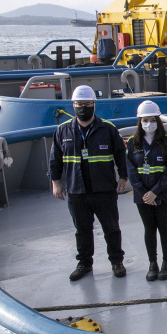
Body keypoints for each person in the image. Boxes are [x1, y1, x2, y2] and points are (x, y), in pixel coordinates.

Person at [49, 85, 128, 281]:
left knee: (111, 228)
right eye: (79, 104)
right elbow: (55, 159)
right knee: (82, 230)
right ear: (73, 105)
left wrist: (123, 177)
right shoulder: (62, 131)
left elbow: (120, 155)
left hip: (104, 189)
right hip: (77, 190)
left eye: (87, 104)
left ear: (94, 105)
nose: (83, 107)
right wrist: (56, 182)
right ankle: (84, 263)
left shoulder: (108, 129)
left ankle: (116, 261)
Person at [125, 100, 167, 281]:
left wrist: (155, 192)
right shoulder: (133, 143)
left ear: (158, 120)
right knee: (149, 228)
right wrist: (144, 193)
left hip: (163, 194)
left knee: (164, 227)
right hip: (143, 196)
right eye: (145, 120)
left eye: (152, 119)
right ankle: (152, 263)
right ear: (140, 122)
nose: (149, 123)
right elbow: (131, 171)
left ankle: (166, 262)